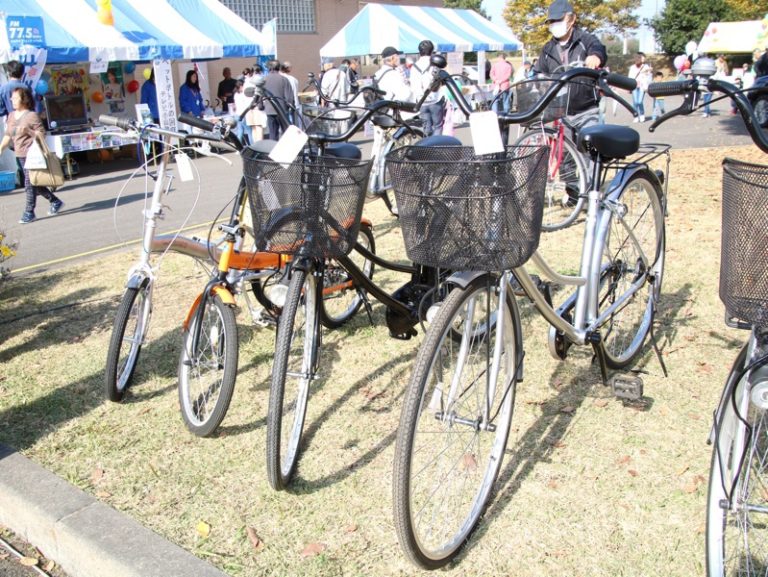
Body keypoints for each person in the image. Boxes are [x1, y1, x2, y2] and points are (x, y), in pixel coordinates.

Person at [0, 87, 64, 224]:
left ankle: (29, 212)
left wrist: (29, 131)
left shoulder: (31, 115)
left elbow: (41, 134)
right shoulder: (11, 116)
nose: (12, 100)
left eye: (16, 98)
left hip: (33, 155)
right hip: (20, 154)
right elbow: (8, 135)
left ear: (24, 99)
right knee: (35, 182)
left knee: (29, 183)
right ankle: (55, 201)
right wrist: (1, 149)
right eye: (12, 97)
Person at [534, 0, 607, 118]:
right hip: (559, 113)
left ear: (572, 19)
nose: (554, 24)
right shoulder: (547, 49)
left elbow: (597, 47)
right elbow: (538, 74)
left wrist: (595, 56)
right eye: (551, 21)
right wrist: (540, 83)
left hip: (587, 111)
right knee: (555, 136)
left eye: (559, 20)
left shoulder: (585, 39)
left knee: (590, 135)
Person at [409, 40, 445, 137]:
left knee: (426, 128)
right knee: (438, 126)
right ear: (432, 51)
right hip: (435, 100)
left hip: (421, 102)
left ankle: (427, 148)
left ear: (419, 51)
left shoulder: (414, 67)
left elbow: (413, 86)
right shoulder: (435, 65)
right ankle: (436, 148)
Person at [263, 60, 294, 140]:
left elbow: (260, 95)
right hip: (282, 110)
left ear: (269, 68)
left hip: (269, 110)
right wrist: (288, 107)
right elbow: (289, 97)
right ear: (279, 67)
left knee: (273, 133)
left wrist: (261, 106)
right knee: (286, 133)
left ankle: (273, 149)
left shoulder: (264, 80)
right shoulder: (284, 79)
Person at [628, 52, 652, 122]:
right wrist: (628, 86)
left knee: (639, 101)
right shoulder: (632, 67)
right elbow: (630, 77)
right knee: (635, 102)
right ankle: (635, 116)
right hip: (634, 86)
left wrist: (648, 72)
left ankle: (641, 114)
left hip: (642, 86)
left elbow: (649, 77)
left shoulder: (646, 67)